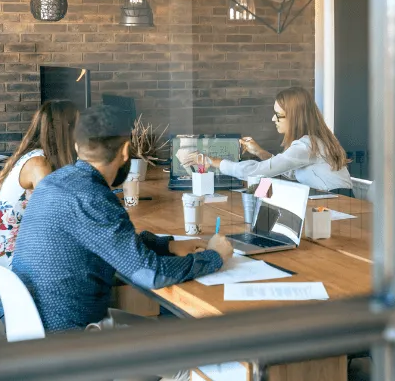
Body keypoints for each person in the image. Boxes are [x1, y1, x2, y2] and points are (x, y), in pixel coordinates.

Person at [12, 105, 232, 333]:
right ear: (126, 150)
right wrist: (214, 256)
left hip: (35, 323)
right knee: (190, 354)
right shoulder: (92, 197)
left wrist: (166, 245)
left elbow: (110, 239)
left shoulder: (55, 181)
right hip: (72, 336)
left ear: (78, 146)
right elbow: (151, 274)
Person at [185, 87, 352, 193]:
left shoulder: (306, 146)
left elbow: (258, 171)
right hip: (333, 202)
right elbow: (290, 172)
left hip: (339, 205)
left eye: (278, 115)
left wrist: (213, 161)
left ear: (295, 117)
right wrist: (260, 152)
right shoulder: (313, 142)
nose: (273, 119)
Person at [0, 100, 79, 267]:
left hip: (1, 250)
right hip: (11, 257)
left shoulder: (32, 156)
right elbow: (55, 215)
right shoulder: (38, 164)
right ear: (67, 130)